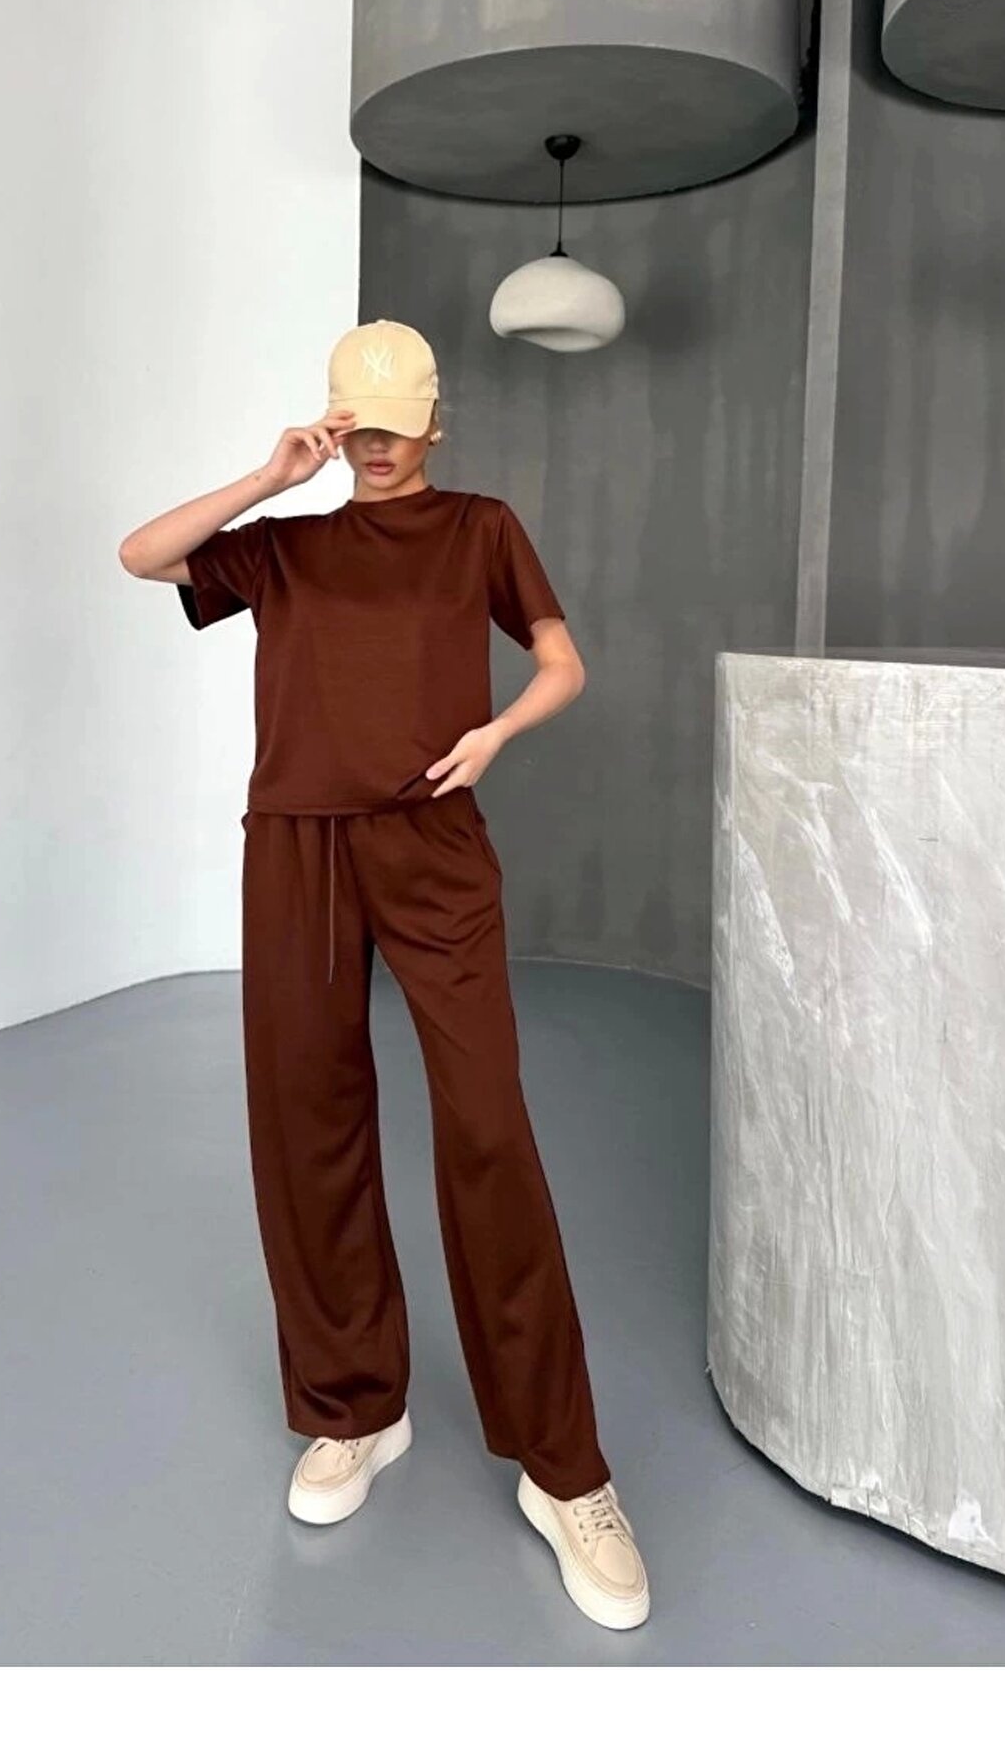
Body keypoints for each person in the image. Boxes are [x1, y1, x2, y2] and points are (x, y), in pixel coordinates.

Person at [118, 318, 649, 1633]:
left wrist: (498, 734)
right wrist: (269, 476)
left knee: (488, 1127)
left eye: (397, 430)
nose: (379, 451)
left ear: (434, 426)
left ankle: (566, 1471)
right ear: (335, 423)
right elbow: (142, 554)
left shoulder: (480, 528)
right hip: (297, 846)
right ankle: (355, 1406)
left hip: (433, 842)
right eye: (359, 430)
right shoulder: (286, 545)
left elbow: (564, 662)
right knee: (308, 1121)